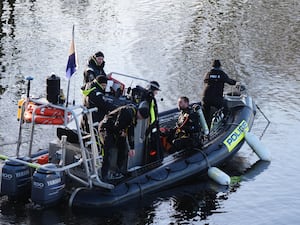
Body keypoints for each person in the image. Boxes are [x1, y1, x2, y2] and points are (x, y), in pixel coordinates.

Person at [99, 101, 150, 180]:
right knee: (109, 149)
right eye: (141, 118)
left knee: (123, 148)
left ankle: (118, 171)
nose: (140, 120)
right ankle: (104, 174)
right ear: (140, 114)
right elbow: (117, 126)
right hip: (106, 128)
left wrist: (132, 147)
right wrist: (120, 133)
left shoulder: (134, 116)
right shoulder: (127, 112)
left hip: (116, 130)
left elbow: (130, 132)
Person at [202, 59, 236, 125]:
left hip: (205, 98)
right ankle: (225, 124)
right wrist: (236, 82)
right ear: (220, 67)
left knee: (206, 114)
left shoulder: (208, 73)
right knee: (225, 109)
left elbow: (205, 81)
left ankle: (205, 128)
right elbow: (230, 82)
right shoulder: (222, 74)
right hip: (216, 98)